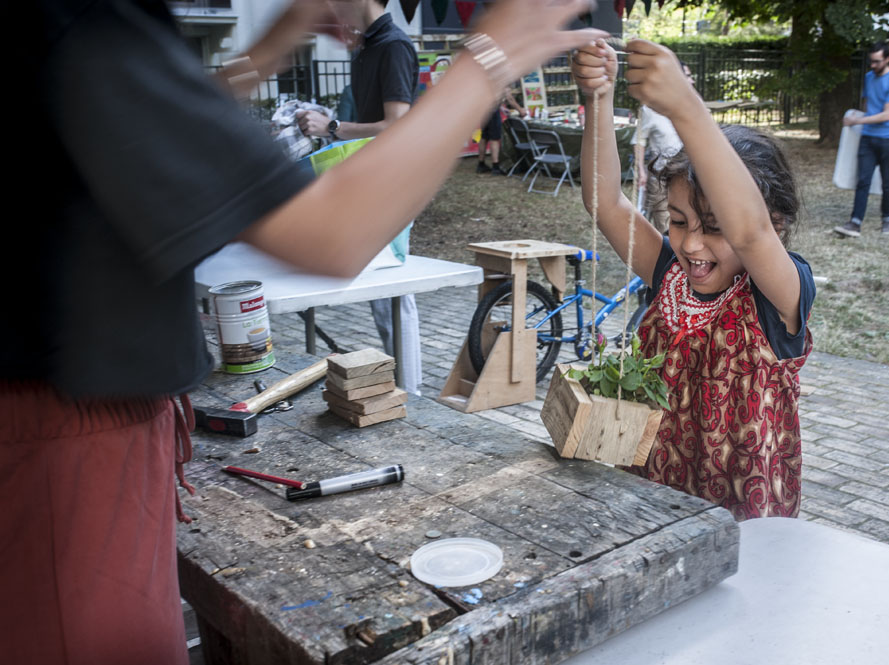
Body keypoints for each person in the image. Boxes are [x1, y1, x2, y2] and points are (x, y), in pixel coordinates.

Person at [3, 1, 604, 662]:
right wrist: (488, 59)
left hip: (74, 430)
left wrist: (274, 45)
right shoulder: (81, 19)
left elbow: (166, 127)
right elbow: (332, 232)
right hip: (62, 455)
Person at [572, 39, 815, 521]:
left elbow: (750, 232)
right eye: (680, 221)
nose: (691, 245)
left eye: (714, 228)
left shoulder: (778, 295)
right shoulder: (670, 276)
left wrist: (685, 106)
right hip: (652, 502)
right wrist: (597, 98)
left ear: (778, 225)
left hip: (742, 521)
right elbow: (605, 202)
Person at [298, 0, 424, 395]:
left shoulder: (394, 45)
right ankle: (404, 385)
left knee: (392, 291)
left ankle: (413, 391)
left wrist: (332, 126)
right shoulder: (368, 47)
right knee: (381, 293)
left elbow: (396, 125)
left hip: (394, 180)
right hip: (372, 179)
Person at [834, 42, 889, 237]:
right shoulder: (869, 77)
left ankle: (887, 220)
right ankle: (855, 222)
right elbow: (867, 104)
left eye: (877, 61)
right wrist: (861, 120)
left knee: (887, 181)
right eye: (871, 61)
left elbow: (886, 114)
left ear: (888, 59)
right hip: (868, 138)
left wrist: (857, 121)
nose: (872, 65)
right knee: (863, 180)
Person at [631, 60, 694, 227]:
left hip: (690, 177)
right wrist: (641, 171)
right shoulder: (650, 109)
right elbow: (639, 140)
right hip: (661, 178)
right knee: (667, 226)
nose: (692, 81)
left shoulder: (694, 107)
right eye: (688, 76)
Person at [478, 89, 525, 174]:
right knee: (494, 139)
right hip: (492, 111)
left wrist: (502, 108)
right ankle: (495, 167)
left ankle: (481, 164)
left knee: (484, 137)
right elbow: (510, 99)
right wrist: (521, 110)